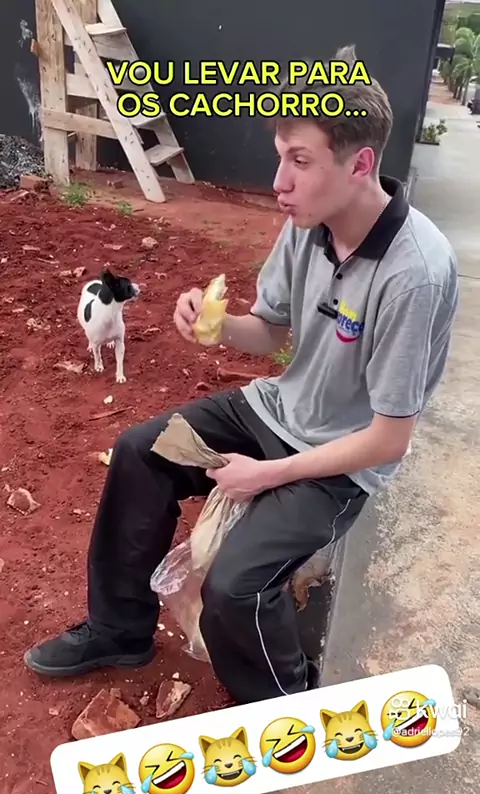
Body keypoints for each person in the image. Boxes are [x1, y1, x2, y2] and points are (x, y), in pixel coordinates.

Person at [24, 45, 458, 705]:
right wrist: (217, 325)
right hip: (276, 410)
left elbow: (387, 440)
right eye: (280, 157)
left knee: (235, 585)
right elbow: (271, 331)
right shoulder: (308, 221)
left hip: (341, 459)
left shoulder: (414, 272)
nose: (279, 182)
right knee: (142, 453)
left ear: (360, 164)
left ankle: (283, 701)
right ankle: (118, 630)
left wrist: (266, 476)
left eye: (300, 161)